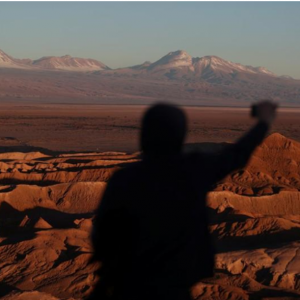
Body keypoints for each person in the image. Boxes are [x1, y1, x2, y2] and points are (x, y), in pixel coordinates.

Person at [89, 101, 277, 300]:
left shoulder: (124, 179)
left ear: (144, 136)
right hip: (174, 289)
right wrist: (263, 122)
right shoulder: (192, 172)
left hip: (128, 288)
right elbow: (236, 154)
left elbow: (101, 233)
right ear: (180, 136)